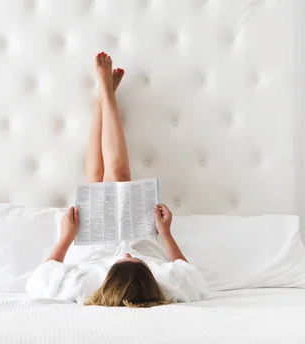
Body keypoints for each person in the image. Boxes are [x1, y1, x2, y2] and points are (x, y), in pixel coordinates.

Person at [26, 52, 207, 307]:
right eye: (137, 260)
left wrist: (66, 237)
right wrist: (166, 233)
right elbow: (193, 278)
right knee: (118, 177)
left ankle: (104, 97)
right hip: (138, 232)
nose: (127, 253)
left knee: (95, 180)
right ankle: (105, 97)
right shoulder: (168, 285)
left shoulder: (84, 286)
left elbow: (38, 282)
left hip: (92, 244)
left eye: (124, 260)